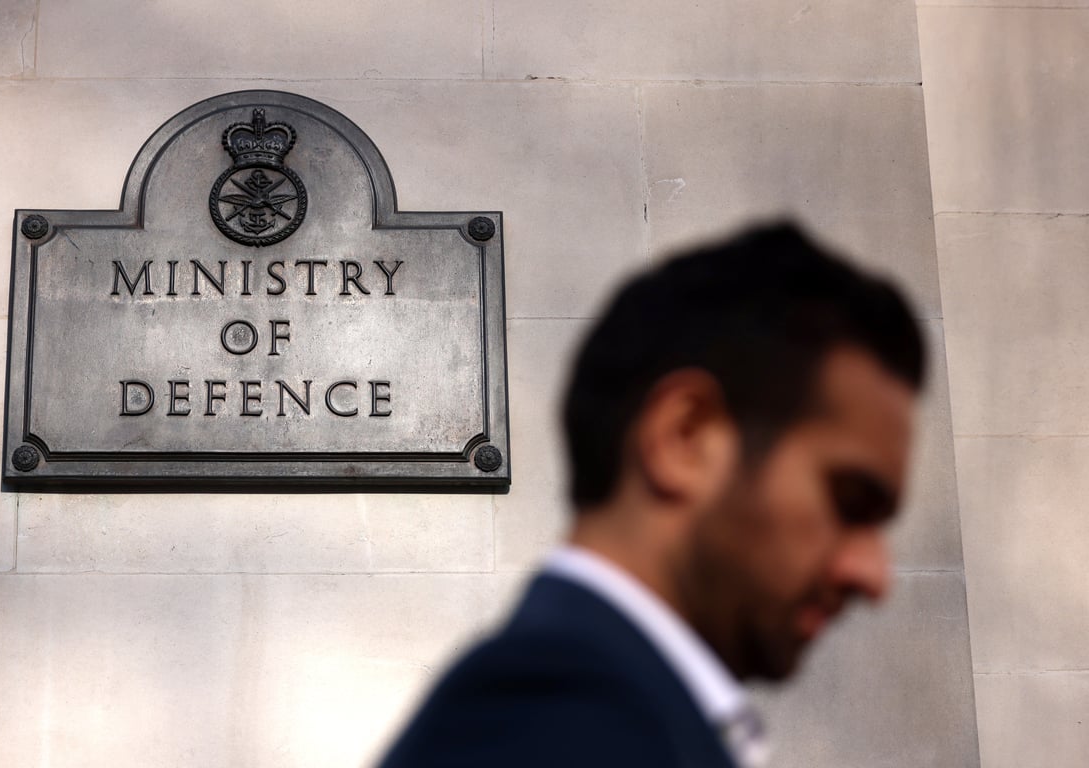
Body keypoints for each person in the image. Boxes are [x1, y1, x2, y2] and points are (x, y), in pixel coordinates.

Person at [378, 221, 926, 768]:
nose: (873, 574)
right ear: (684, 439)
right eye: (849, 502)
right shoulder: (551, 724)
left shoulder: (611, 715)